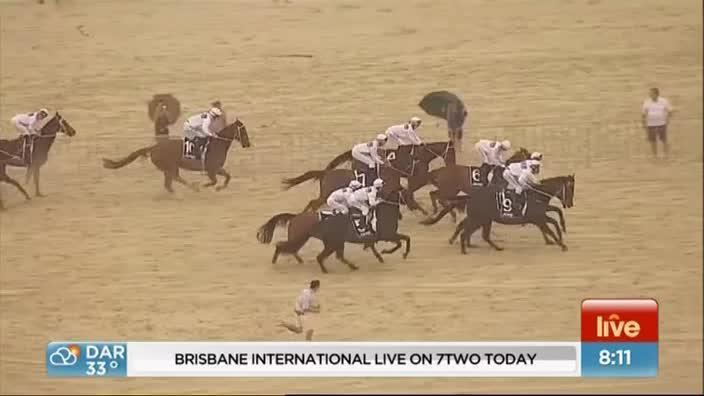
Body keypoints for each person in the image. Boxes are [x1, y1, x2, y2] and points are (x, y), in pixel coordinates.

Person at [641, 88, 673, 158]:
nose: (650, 95)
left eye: (651, 94)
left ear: (656, 94)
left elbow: (670, 111)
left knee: (664, 140)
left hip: (662, 123)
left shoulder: (664, 101)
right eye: (650, 94)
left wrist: (668, 119)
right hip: (650, 124)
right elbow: (643, 114)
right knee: (653, 140)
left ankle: (666, 154)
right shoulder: (647, 102)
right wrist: (643, 123)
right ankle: (654, 155)